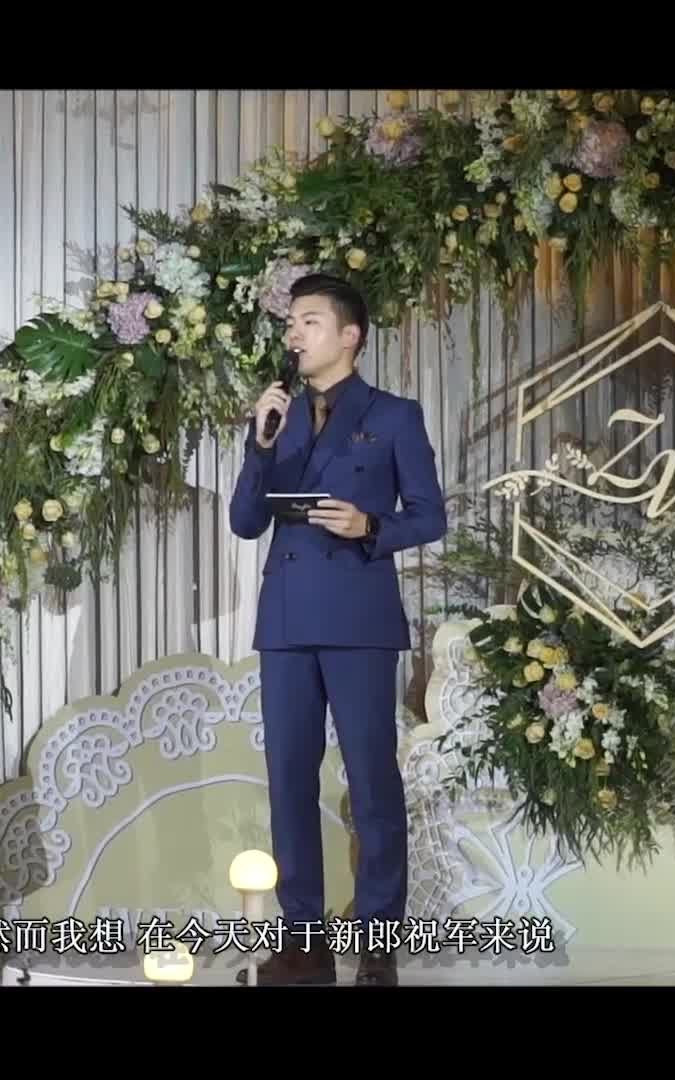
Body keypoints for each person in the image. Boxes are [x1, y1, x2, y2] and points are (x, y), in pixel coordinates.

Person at [227, 273, 447, 986]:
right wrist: (260, 446)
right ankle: (304, 941)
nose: (294, 334)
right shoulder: (279, 418)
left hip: (359, 618)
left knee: (372, 781)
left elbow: (430, 515)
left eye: (310, 321)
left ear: (350, 335)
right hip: (287, 620)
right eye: (291, 323)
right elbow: (245, 522)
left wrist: (370, 525)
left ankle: (378, 944)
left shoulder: (394, 416)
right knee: (289, 782)